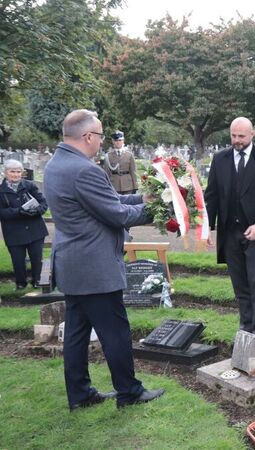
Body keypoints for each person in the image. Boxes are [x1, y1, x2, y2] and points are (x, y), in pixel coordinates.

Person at [43, 109, 164, 411]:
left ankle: (80, 394)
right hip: (94, 267)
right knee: (115, 332)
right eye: (99, 134)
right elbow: (116, 214)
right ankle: (129, 392)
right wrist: (163, 209)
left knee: (75, 333)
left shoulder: (57, 164)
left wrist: (144, 199)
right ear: (87, 136)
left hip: (72, 264)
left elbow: (110, 200)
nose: (102, 140)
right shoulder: (84, 169)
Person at [204, 117, 255, 340]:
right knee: (240, 286)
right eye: (233, 136)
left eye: (241, 136)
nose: (236, 141)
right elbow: (212, 196)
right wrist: (208, 227)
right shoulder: (220, 159)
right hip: (230, 233)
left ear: (252, 134)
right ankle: (246, 329)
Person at [0, 159, 48, 289]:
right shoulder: (1, 190)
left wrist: (35, 211)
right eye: (12, 172)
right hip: (13, 232)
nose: (15, 174)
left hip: (35, 230)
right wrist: (18, 211)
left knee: (36, 259)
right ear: (5, 173)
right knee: (18, 261)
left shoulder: (29, 185)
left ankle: (37, 281)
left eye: (18, 172)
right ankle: (20, 283)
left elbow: (44, 203)